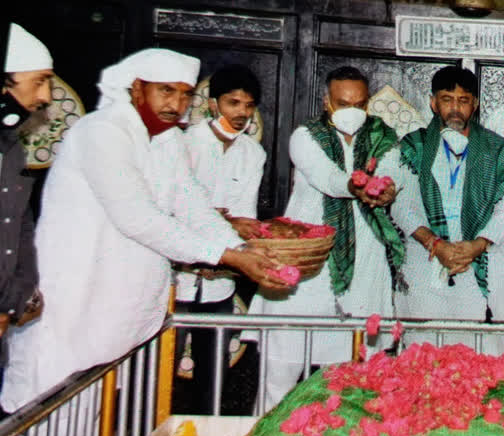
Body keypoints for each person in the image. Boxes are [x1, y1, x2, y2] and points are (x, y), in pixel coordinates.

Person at [0, 48, 292, 415]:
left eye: (185, 94)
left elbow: (193, 206)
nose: (177, 103)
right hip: (70, 309)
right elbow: (137, 218)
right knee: (45, 435)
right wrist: (229, 256)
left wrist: (242, 249)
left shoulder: (168, 141)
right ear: (137, 88)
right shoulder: (102, 131)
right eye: (166, 91)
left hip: (116, 319)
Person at [245, 66, 405, 410]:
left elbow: (393, 172)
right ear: (326, 102)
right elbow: (328, 178)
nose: (352, 111)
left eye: (359, 104)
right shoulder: (305, 136)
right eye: (342, 102)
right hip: (308, 261)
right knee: (282, 365)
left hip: (364, 263)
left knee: (352, 374)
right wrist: (356, 185)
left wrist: (387, 189)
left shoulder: (383, 136)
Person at [396, 66, 504, 354]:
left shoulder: (497, 151)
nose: (455, 108)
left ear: (475, 105)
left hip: (482, 256)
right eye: (447, 99)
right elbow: (402, 204)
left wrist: (478, 245)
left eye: (463, 100)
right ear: (433, 103)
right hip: (425, 257)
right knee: (425, 354)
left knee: (484, 356)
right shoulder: (412, 147)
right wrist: (434, 243)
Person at [175, 65, 266, 413]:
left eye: (248, 105)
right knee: (161, 373)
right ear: (213, 104)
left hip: (221, 283)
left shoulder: (253, 154)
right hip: (178, 281)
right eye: (233, 103)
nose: (241, 113)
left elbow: (247, 216)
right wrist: (227, 224)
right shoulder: (184, 144)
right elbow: (176, 210)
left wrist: (232, 239)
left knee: (213, 380)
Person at [0, 23, 51, 374]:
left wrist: (16, 298)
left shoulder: (12, 147)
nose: (46, 95)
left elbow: (19, 227)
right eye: (40, 80)